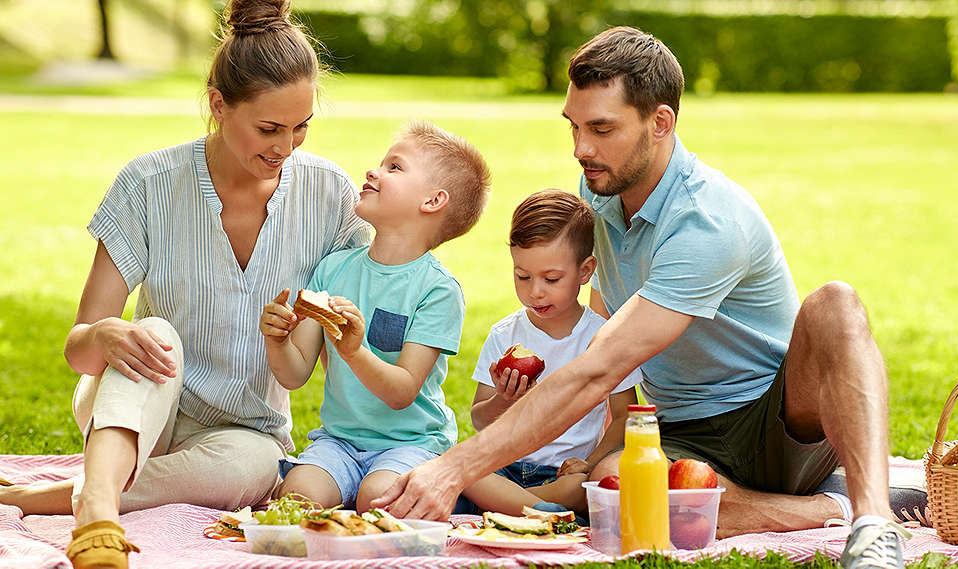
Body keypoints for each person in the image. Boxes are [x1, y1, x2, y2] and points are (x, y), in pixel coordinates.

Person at [374, 26, 911, 569]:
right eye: (575, 127)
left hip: (775, 420)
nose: (582, 149)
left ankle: (874, 525)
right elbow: (612, 300)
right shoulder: (602, 187)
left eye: (602, 128)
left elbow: (601, 367)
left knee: (835, 303)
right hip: (678, 429)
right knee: (609, 487)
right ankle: (826, 507)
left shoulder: (706, 220)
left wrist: (452, 468)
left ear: (660, 123)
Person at [0, 1, 369, 568]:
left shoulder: (331, 196)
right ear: (218, 105)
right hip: (136, 404)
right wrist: (104, 335)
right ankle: (96, 514)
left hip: (245, 432)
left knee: (255, 469)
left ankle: (55, 495)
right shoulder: (148, 184)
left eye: (301, 128)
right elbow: (78, 346)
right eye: (269, 128)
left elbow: (324, 357)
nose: (285, 147)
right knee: (154, 333)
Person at [258, 121, 491, 512]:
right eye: (381, 163)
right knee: (298, 499)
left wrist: (353, 352)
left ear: (433, 201)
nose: (373, 171)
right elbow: (294, 376)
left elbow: (401, 392)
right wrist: (277, 339)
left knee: (378, 501)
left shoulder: (438, 291)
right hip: (339, 442)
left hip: (411, 444)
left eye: (394, 167)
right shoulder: (333, 270)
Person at [458, 190, 641, 516]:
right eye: (522, 276)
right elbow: (479, 420)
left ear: (585, 272)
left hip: (562, 474)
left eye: (551, 278)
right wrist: (503, 400)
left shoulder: (602, 337)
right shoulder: (505, 334)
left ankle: (512, 508)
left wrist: (589, 462)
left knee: (586, 486)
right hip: (504, 468)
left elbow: (625, 416)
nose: (535, 291)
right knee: (459, 462)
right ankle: (539, 511)